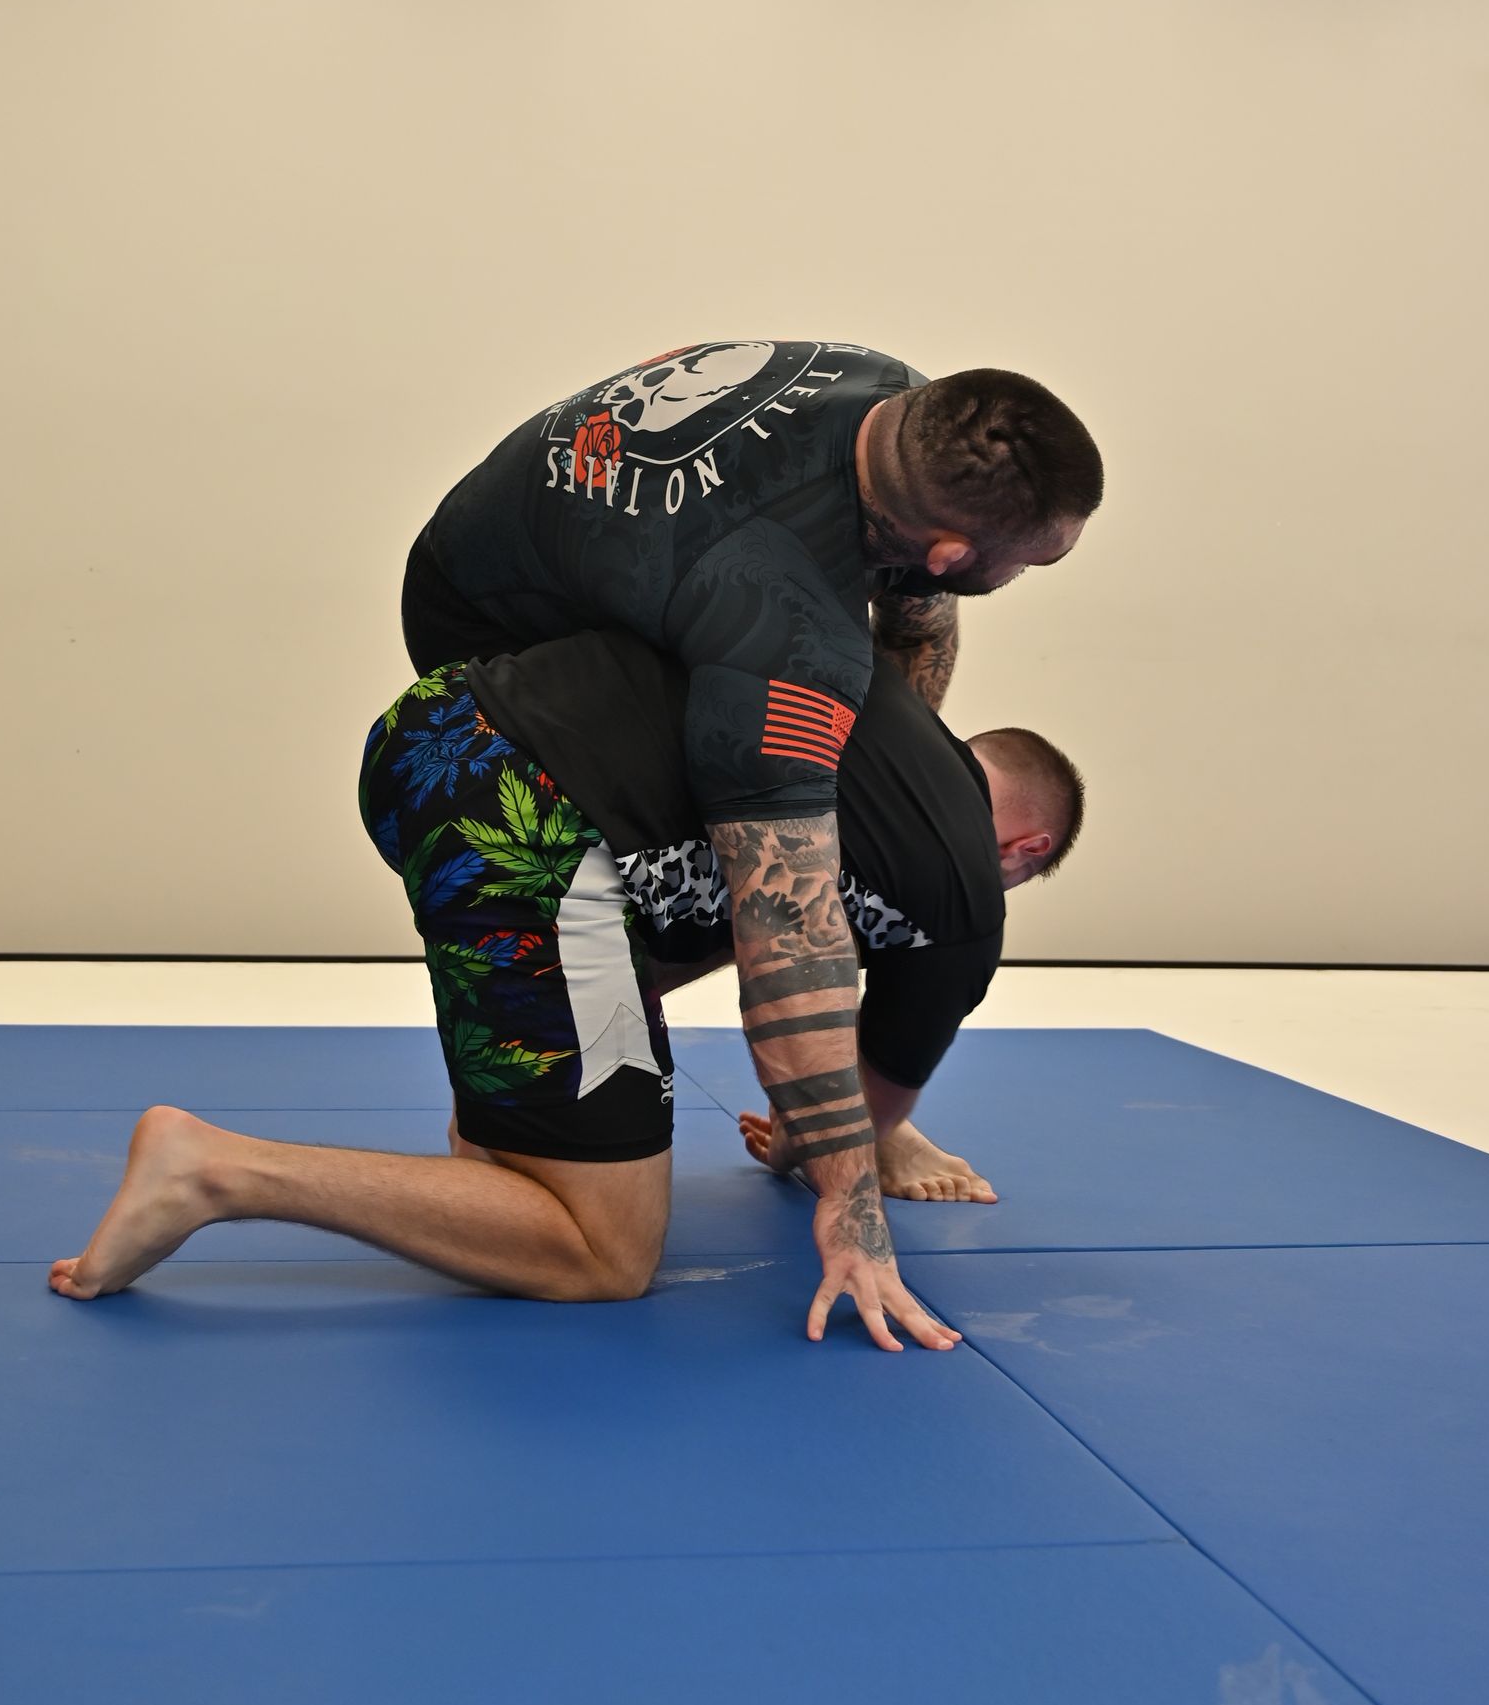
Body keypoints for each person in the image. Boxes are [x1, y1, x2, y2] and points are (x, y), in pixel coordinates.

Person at [49, 631, 1086, 1347]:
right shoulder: (961, 891)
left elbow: (738, 931)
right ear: (1026, 849)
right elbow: (844, 1118)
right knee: (607, 1251)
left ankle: (516, 1147)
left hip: (439, 739)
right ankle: (215, 1171)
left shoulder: (867, 727)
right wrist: (839, 1140)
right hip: (530, 813)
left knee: (582, 1086)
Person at [397, 339, 1102, 1352]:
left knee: (794, 833)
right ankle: (544, 1068)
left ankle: (586, 1046)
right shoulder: (779, 626)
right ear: (953, 548)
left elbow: (912, 622)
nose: (1029, 573)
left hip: (570, 551)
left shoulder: (897, 405)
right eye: (1033, 560)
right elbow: (790, 933)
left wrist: (887, 805)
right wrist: (848, 1198)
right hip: (492, 633)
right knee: (762, 858)